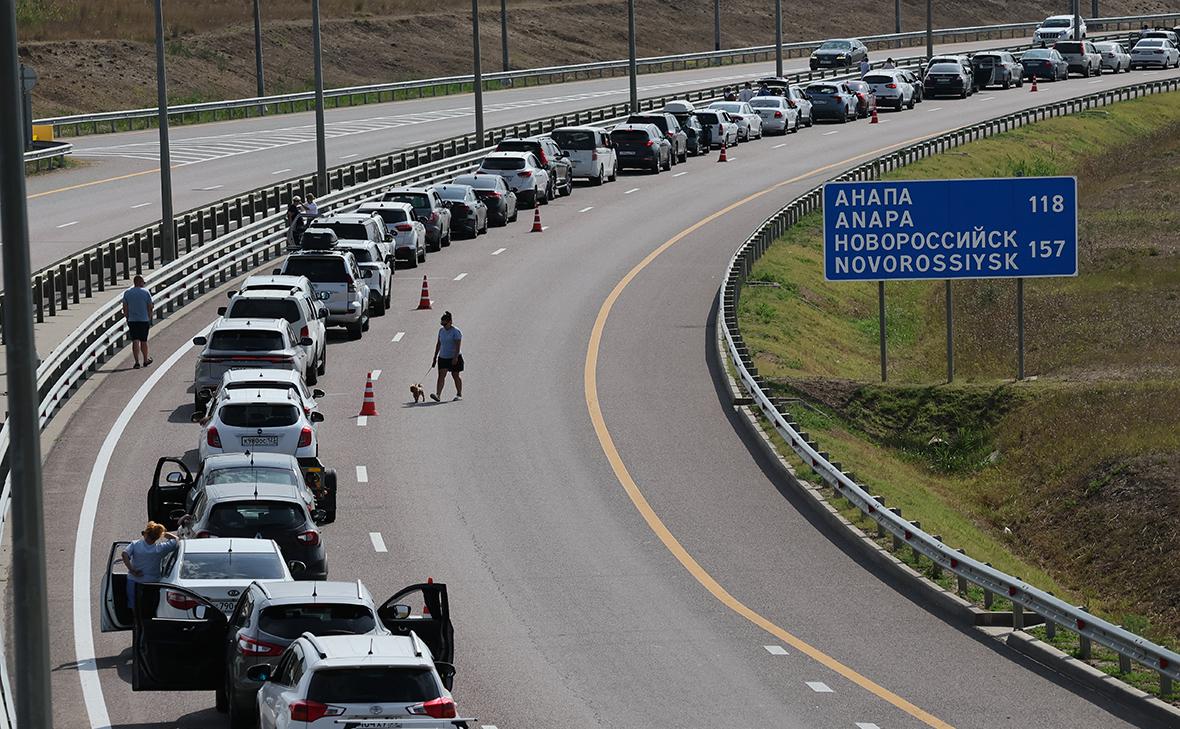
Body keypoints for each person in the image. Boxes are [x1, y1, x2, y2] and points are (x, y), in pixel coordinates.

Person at [121, 521, 179, 610]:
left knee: (133, 603)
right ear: (157, 537)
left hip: (134, 580)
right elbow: (176, 541)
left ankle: (135, 619)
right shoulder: (161, 548)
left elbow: (124, 554)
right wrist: (166, 535)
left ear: (146, 534)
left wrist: (132, 570)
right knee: (151, 605)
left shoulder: (135, 544)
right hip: (153, 581)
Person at [430, 311, 463, 402]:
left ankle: (459, 393)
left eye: (445, 324)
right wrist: (435, 357)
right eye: (442, 324)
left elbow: (458, 345)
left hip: (454, 357)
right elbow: (438, 344)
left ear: (450, 322)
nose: (444, 326)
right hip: (443, 357)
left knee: (455, 375)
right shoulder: (441, 331)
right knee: (441, 375)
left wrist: (455, 357)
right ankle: (438, 395)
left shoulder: (456, 331)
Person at [122, 275, 154, 368]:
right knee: (144, 341)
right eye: (143, 283)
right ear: (140, 282)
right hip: (144, 320)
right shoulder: (146, 292)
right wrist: (149, 317)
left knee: (135, 340)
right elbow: (150, 306)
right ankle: (145, 360)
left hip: (132, 320)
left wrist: (127, 317)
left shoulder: (127, 293)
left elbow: (125, 307)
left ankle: (136, 362)